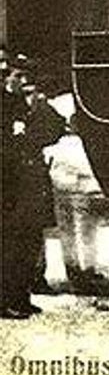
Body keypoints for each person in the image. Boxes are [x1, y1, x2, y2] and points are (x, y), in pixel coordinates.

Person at [1, 51, 66, 319]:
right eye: (16, 75)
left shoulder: (25, 103)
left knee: (28, 243)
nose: (22, 80)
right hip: (10, 186)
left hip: (28, 181)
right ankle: (5, 301)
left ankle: (21, 296)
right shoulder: (6, 103)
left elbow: (55, 127)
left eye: (24, 76)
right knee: (11, 245)